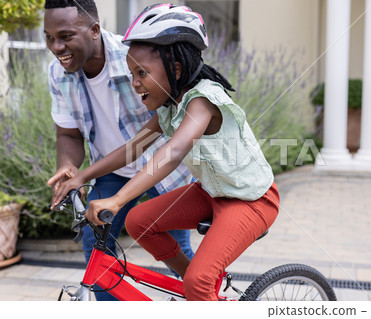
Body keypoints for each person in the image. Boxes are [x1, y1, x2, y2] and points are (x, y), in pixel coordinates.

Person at [55, 3, 280, 301]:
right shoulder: (168, 107)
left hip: (251, 201)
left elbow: (174, 152)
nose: (135, 83)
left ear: (174, 69)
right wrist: (81, 175)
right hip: (211, 192)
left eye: (142, 73)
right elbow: (133, 148)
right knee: (138, 222)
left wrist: (117, 198)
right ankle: (201, 289)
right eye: (131, 73)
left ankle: (199, 287)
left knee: (199, 282)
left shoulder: (203, 100)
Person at [43, 0, 195, 300]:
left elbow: (146, 138)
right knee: (95, 242)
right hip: (111, 170)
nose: (56, 47)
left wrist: (84, 174)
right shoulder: (57, 73)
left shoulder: (134, 59)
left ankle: (206, 297)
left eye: (65, 36)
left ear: (94, 30)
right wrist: (69, 166)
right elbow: (68, 133)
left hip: (160, 167)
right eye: (49, 38)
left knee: (174, 249)